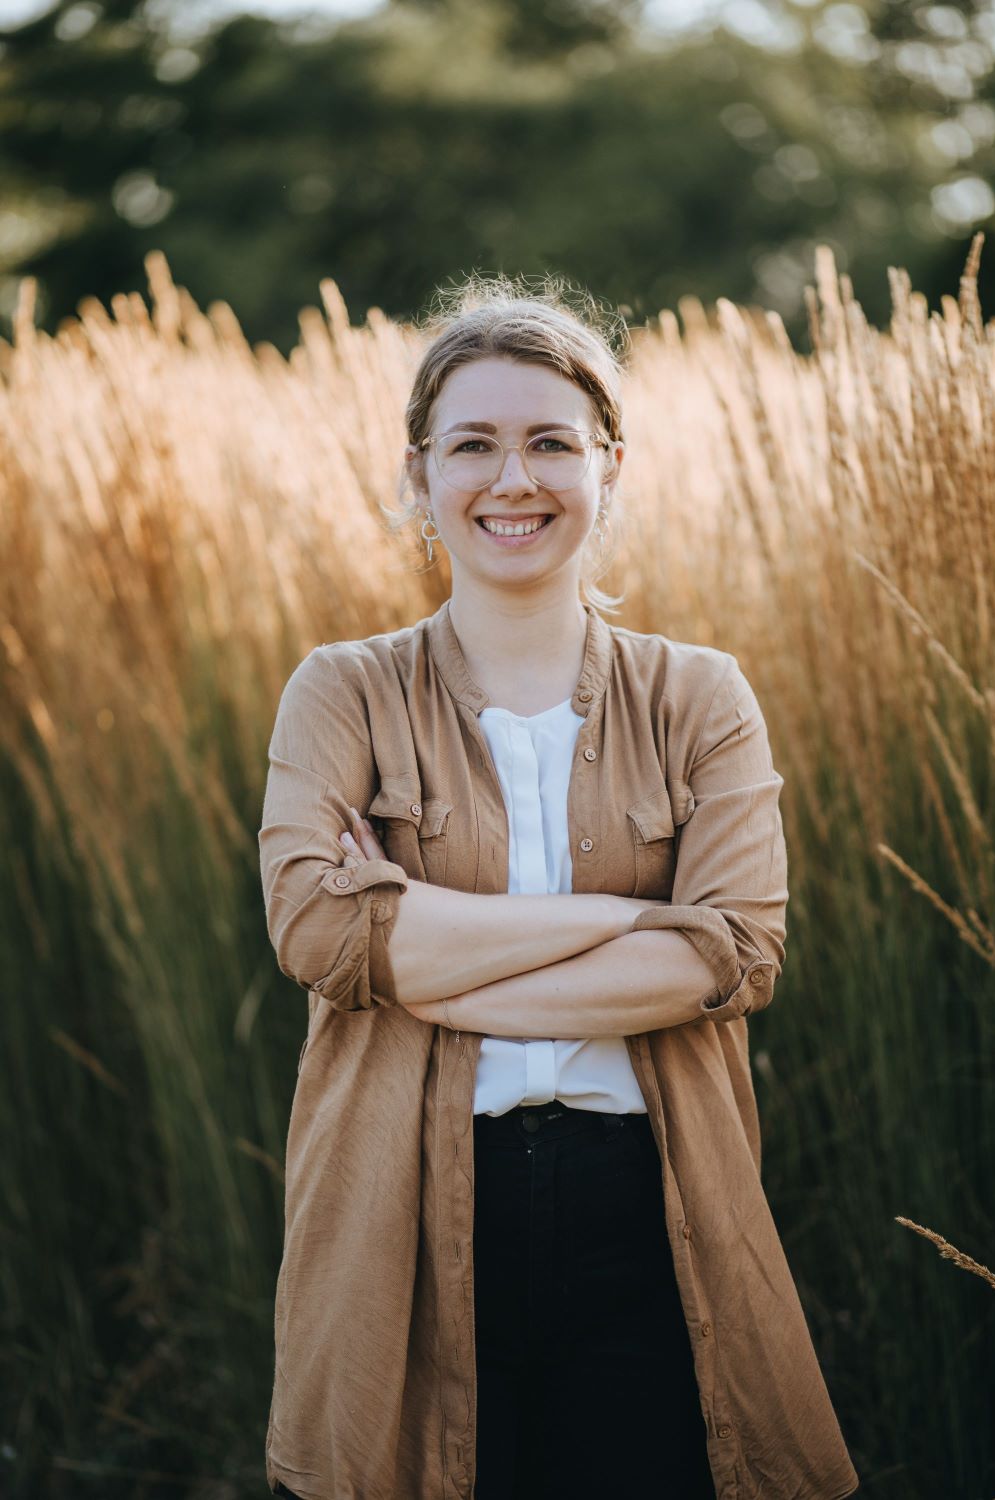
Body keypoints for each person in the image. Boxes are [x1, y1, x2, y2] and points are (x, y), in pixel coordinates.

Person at [257, 274, 860, 1500]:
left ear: (609, 465)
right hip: (403, 1215)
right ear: (419, 474)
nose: (511, 479)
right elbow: (321, 934)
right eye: (471, 444)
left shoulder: (699, 696)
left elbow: (734, 958)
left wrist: (422, 950)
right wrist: (628, 920)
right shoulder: (343, 692)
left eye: (550, 442)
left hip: (651, 1209)